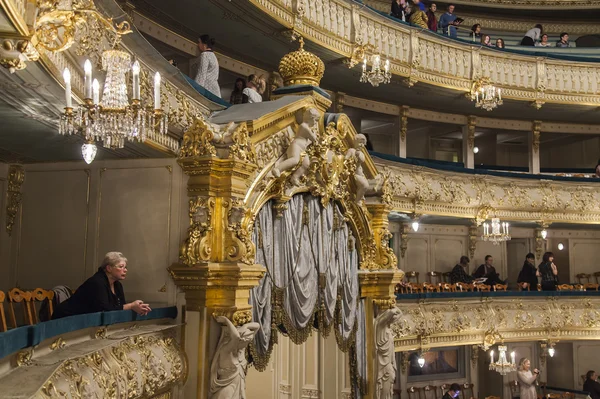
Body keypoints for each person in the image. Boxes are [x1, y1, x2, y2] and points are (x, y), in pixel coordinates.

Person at [52, 252, 151, 319]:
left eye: (125, 267)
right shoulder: (97, 282)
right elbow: (105, 310)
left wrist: (136, 307)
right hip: (65, 318)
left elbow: (120, 308)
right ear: (109, 268)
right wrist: (131, 306)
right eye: (121, 267)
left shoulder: (118, 285)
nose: (125, 270)